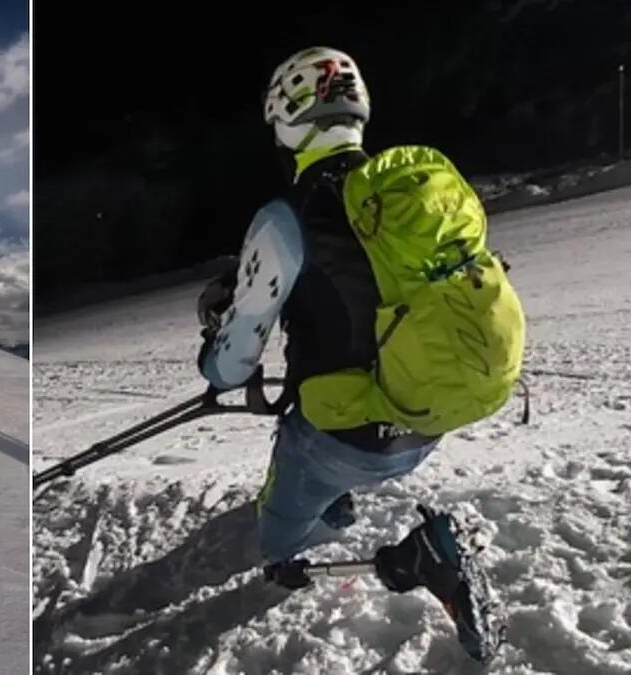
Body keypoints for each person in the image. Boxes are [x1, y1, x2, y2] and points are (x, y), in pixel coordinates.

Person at [195, 46, 523, 661]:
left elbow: (234, 363)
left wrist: (213, 351)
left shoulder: (288, 216)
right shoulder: (408, 199)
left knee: (277, 538)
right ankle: (339, 496)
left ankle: (414, 558)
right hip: (428, 417)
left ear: (286, 119)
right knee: (339, 461)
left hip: (343, 437)